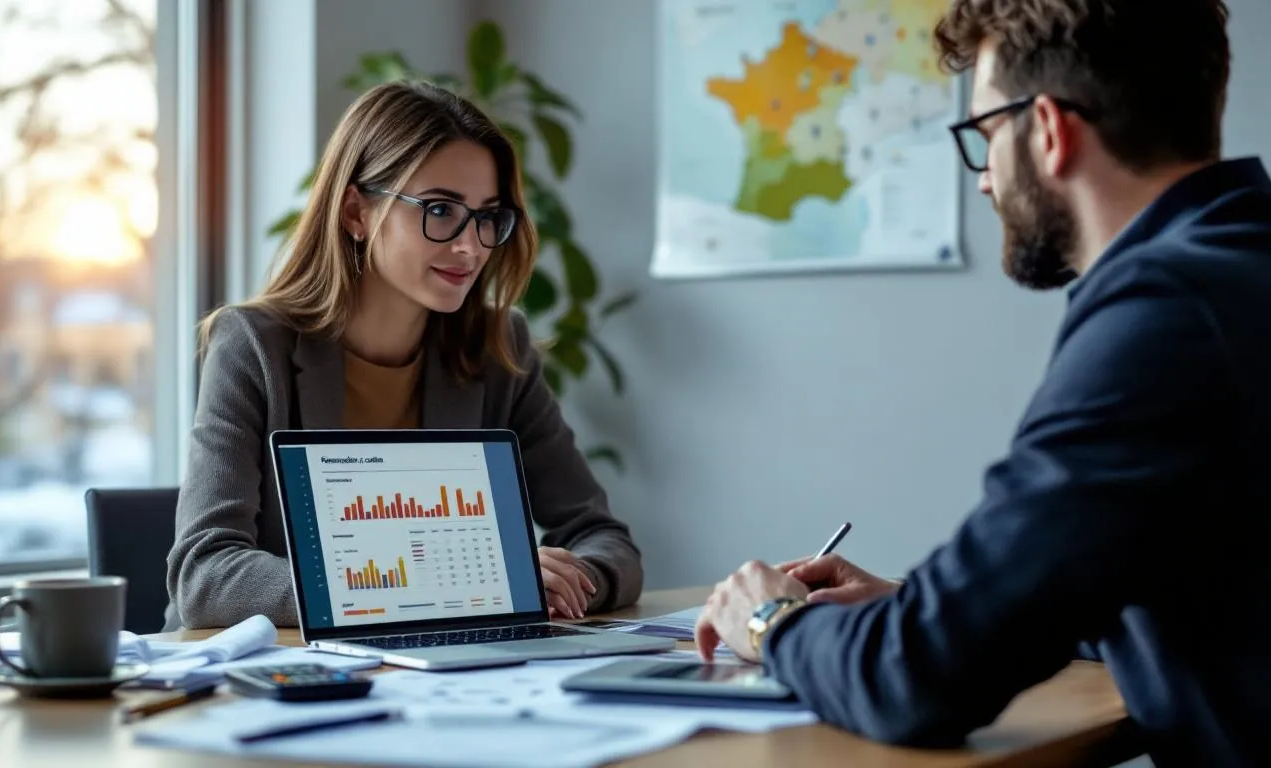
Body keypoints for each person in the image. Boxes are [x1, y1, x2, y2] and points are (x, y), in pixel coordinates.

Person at [695, 0, 1271, 764]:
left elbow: (920, 682)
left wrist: (772, 620)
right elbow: (1206, 587)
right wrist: (923, 608)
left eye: (985, 135)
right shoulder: (1239, 268)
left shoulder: (1165, 315)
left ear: (1051, 131)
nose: (984, 183)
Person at [165, 81, 642, 630]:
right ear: (355, 213)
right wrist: (457, 584)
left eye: (488, 215)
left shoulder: (498, 348)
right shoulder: (253, 345)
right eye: (440, 210)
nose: (472, 245)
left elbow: (606, 541)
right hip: (268, 678)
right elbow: (205, 576)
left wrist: (575, 581)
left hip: (439, 679)